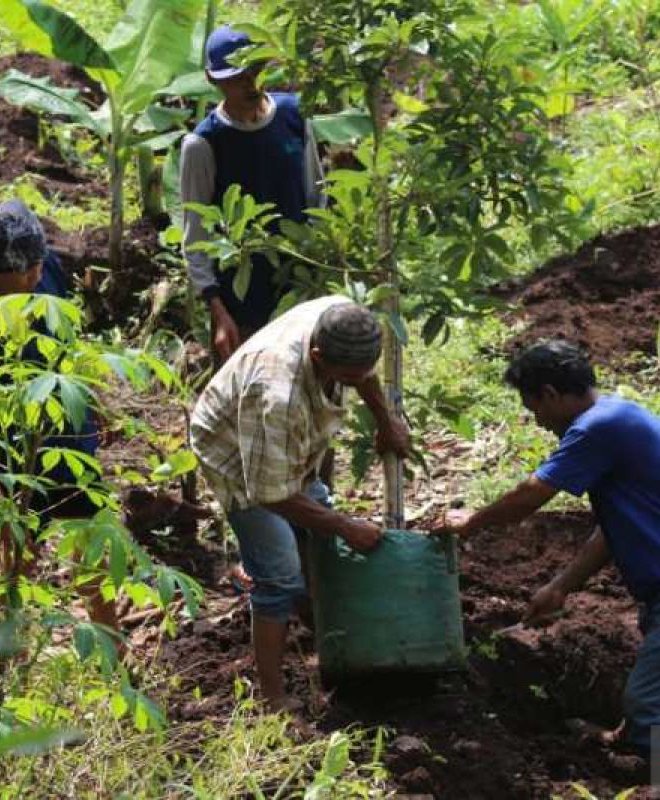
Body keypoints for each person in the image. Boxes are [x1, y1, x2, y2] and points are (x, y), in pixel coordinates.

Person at [436, 340, 660, 756]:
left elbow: (531, 496)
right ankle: (637, 747)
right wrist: (560, 586)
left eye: (535, 410)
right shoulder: (617, 416)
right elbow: (611, 531)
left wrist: (468, 523)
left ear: (549, 394)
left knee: (656, 706)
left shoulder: (596, 428)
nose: (540, 423)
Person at [189, 295, 410, 710]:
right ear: (316, 355)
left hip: (283, 446)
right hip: (234, 452)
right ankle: (274, 700)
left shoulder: (346, 321)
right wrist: (345, 525)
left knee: (316, 535)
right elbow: (271, 493)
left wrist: (386, 422)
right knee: (278, 575)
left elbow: (364, 375)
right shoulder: (277, 395)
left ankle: (323, 636)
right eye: (346, 376)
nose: (356, 379)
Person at [0, 200, 116, 630]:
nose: (36, 277)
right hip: (13, 461)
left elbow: (69, 340)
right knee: (20, 563)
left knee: (91, 547)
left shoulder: (46, 269)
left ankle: (113, 652)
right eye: (26, 272)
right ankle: (11, 662)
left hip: (68, 439)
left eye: (38, 266)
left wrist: (91, 397)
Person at [181, 24, 326, 364]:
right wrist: (217, 309)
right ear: (213, 80)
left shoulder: (293, 115)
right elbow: (196, 233)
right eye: (236, 78)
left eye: (255, 70)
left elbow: (315, 194)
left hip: (298, 285)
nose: (250, 83)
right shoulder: (204, 144)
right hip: (241, 297)